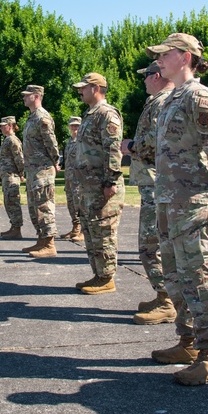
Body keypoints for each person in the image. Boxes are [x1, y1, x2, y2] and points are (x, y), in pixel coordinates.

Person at [146, 33, 208, 385]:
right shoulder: (170, 98)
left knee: (197, 277)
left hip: (192, 202)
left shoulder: (199, 95)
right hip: (168, 200)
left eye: (163, 55)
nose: (158, 61)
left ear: (183, 57)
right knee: (175, 275)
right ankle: (188, 343)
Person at [121, 61, 176, 324]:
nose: (143, 81)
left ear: (156, 76)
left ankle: (168, 300)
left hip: (157, 185)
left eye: (146, 76)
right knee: (153, 245)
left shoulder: (161, 103)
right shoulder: (160, 101)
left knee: (150, 247)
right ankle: (164, 295)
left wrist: (130, 146)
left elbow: (156, 142)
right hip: (155, 185)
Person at [69, 73, 125, 294]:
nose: (79, 91)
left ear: (96, 88)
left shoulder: (106, 114)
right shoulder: (90, 114)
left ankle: (107, 278)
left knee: (103, 232)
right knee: (91, 231)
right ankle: (98, 274)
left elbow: (113, 148)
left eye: (83, 87)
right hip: (88, 186)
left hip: (102, 186)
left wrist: (110, 180)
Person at [20, 85, 61, 258]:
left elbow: (51, 143)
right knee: (34, 207)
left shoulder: (42, 118)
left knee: (44, 205)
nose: (23, 97)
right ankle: (41, 240)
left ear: (36, 96)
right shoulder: (32, 117)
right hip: (33, 170)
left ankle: (49, 244)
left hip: (42, 169)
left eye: (27, 95)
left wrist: (56, 161)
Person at [0, 116, 25, 240]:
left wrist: (22, 173)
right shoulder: (7, 140)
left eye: (3, 125)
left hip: (12, 176)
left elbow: (19, 158)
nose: (1, 127)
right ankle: (13, 227)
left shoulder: (13, 140)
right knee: (8, 202)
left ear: (10, 125)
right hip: (7, 176)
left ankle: (17, 229)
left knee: (13, 202)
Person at [58, 116, 84, 242]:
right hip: (69, 178)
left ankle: (84, 230)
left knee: (80, 204)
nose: (74, 128)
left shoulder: (82, 141)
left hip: (79, 179)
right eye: (72, 125)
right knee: (71, 204)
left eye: (77, 126)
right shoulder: (70, 141)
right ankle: (75, 227)